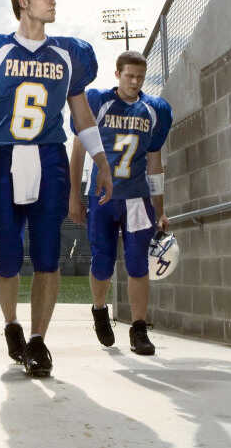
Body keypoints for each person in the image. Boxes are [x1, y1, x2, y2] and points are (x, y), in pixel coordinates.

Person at [0, 0, 113, 377]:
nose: (53, 0)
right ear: (23, 2)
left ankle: (39, 340)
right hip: (3, 155)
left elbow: (81, 113)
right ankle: (11, 324)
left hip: (50, 155)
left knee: (46, 255)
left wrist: (102, 161)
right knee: (6, 256)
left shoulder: (70, 54)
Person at [68, 50, 173, 355]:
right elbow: (78, 150)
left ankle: (139, 329)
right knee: (102, 261)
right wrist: (74, 194)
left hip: (138, 198)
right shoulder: (98, 102)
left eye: (140, 77)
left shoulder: (153, 110)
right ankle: (100, 309)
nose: (135, 82)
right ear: (117, 74)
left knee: (138, 265)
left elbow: (155, 161)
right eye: (129, 76)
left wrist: (161, 208)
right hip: (102, 196)